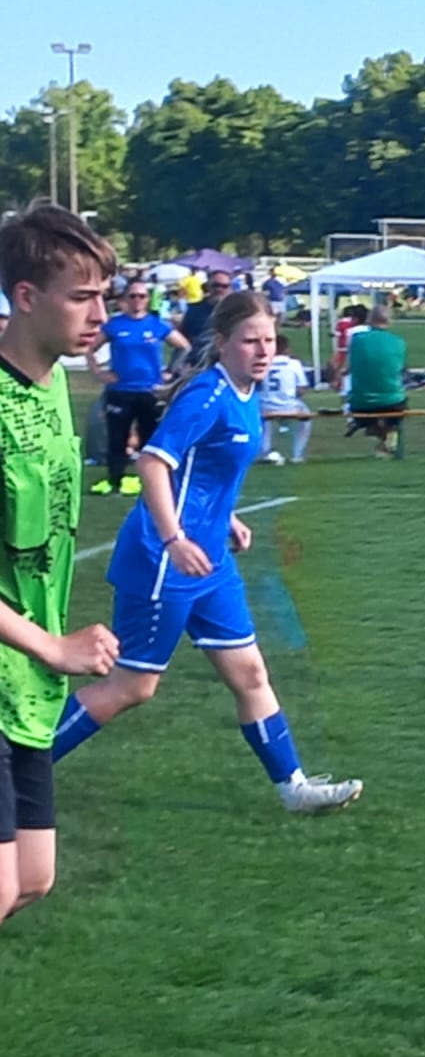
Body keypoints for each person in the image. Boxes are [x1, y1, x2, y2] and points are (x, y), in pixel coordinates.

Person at [49, 292, 363, 815]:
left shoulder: (246, 392)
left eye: (269, 340)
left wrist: (226, 517)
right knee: (132, 686)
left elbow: (204, 472)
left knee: (251, 674)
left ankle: (294, 789)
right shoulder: (208, 395)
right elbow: (153, 463)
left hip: (210, 561)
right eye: (250, 341)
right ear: (221, 343)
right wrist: (175, 538)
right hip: (164, 559)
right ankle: (14, 768)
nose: (263, 351)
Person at [0, 204, 122, 931]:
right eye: (82, 297)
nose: (100, 314)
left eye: (103, 295)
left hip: (27, 690)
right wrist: (51, 644)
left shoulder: (50, 384)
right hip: (16, 667)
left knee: (33, 879)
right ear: (25, 296)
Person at [94, 276, 188, 497]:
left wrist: (171, 371)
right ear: (125, 299)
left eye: (142, 296)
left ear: (147, 299)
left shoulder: (156, 325)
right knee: (117, 438)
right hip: (120, 392)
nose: (137, 300)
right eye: (133, 296)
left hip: (150, 392)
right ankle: (115, 481)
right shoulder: (115, 325)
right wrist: (99, 372)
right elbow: (90, 347)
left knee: (151, 439)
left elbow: (184, 346)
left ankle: (152, 483)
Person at [344, 306, 408, 458]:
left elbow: (350, 365)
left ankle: (380, 433)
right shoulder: (398, 342)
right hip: (392, 401)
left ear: (369, 319)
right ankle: (388, 432)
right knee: (398, 401)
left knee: (366, 418)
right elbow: (400, 369)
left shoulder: (357, 339)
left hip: (361, 402)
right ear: (389, 321)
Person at [259, 330, 315, 465]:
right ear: (286, 348)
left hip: (265, 406)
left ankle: (265, 451)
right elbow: (302, 389)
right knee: (306, 418)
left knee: (263, 420)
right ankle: (297, 454)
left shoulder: (261, 362)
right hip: (289, 406)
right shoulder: (294, 363)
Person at [175, 270, 231, 365]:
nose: (219, 289)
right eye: (215, 285)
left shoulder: (236, 310)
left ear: (230, 288)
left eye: (224, 286)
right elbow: (183, 340)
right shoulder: (194, 310)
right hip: (197, 363)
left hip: (227, 364)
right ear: (208, 286)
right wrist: (178, 365)